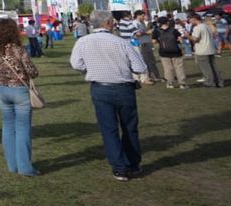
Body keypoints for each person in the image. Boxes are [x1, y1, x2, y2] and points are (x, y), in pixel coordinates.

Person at [70, 10, 147, 181]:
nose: (114, 24)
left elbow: (76, 64)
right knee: (129, 128)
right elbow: (140, 67)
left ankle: (119, 167)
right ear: (107, 23)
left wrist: (91, 69)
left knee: (108, 129)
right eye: (112, 22)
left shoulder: (83, 42)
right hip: (123, 88)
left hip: (100, 87)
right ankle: (133, 164)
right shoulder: (121, 42)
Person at [0, 18, 40, 176]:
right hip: (19, 90)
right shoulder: (19, 49)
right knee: (23, 128)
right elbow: (32, 71)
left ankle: (12, 165)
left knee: (8, 128)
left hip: (2, 91)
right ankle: (25, 167)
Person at [188, 12, 223, 88]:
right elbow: (213, 34)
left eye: (190, 19)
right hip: (210, 49)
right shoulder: (206, 26)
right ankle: (219, 82)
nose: (189, 21)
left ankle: (210, 82)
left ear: (194, 19)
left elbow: (196, 39)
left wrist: (188, 36)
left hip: (202, 50)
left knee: (206, 68)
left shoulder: (197, 27)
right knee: (213, 67)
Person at [154, 16, 188, 88]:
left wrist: (160, 41)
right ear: (167, 22)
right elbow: (181, 40)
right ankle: (182, 83)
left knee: (167, 68)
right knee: (179, 68)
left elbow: (153, 41)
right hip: (176, 51)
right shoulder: (174, 30)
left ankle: (170, 83)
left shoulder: (156, 31)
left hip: (164, 52)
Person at [133, 10, 164, 85]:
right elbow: (137, 34)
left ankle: (153, 76)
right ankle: (147, 77)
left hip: (147, 43)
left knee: (151, 60)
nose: (144, 17)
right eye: (143, 16)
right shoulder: (135, 23)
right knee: (146, 61)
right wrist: (147, 32)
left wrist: (148, 32)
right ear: (138, 15)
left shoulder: (142, 22)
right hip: (142, 44)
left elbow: (143, 32)